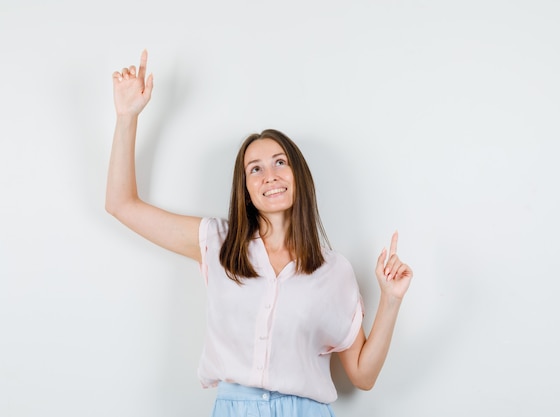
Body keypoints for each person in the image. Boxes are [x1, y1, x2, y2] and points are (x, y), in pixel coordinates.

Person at [106, 50, 413, 417]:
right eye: (255, 168)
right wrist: (127, 117)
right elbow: (121, 204)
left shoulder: (334, 271)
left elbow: (362, 375)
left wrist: (391, 300)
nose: (270, 175)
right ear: (246, 189)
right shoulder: (216, 242)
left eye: (280, 163)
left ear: (298, 176)